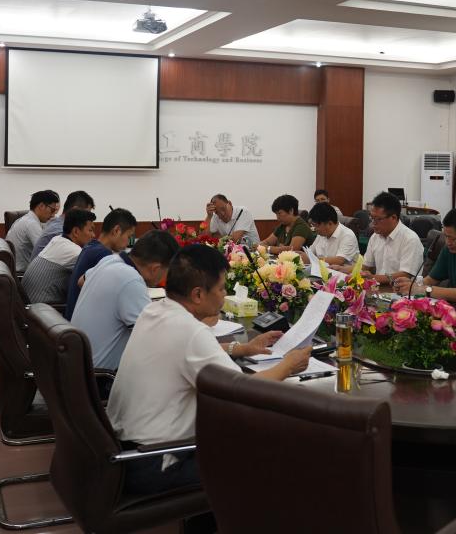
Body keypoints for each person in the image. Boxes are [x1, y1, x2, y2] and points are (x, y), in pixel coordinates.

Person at [107, 245, 311, 495]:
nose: (224, 295)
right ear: (198, 294)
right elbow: (245, 392)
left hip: (124, 452)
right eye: (222, 289)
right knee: (267, 451)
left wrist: (242, 348)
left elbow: (186, 352)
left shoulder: (154, 310)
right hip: (155, 462)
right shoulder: (191, 332)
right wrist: (289, 364)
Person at [72, 230, 180, 370]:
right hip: (100, 377)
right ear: (155, 268)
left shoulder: (110, 260)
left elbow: (81, 281)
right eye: (167, 272)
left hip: (78, 364)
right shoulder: (130, 279)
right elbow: (157, 338)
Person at [65, 208, 137, 320]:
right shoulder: (103, 255)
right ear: (116, 230)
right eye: (128, 236)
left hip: (73, 319)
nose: (128, 242)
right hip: (82, 323)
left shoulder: (91, 247)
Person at [339, 191, 423, 285]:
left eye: (378, 219)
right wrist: (342, 269)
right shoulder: (375, 237)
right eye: (371, 218)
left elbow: (405, 275)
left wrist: (373, 278)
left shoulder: (410, 239)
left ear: (393, 218)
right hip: (379, 287)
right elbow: (366, 266)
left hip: (402, 290)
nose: (373, 223)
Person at [21, 208, 95, 304]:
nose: (93, 235)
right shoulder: (74, 252)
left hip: (30, 305)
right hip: (45, 308)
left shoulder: (57, 239)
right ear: (76, 231)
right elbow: (96, 275)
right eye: (90, 230)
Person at [29, 190, 96, 262]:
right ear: (75, 210)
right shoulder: (60, 231)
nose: (88, 218)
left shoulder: (56, 223)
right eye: (87, 213)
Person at [5, 190, 60, 272]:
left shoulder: (26, 219)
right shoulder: (31, 224)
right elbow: (46, 252)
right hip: (21, 273)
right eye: (52, 210)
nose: (53, 215)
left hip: (16, 269)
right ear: (41, 206)